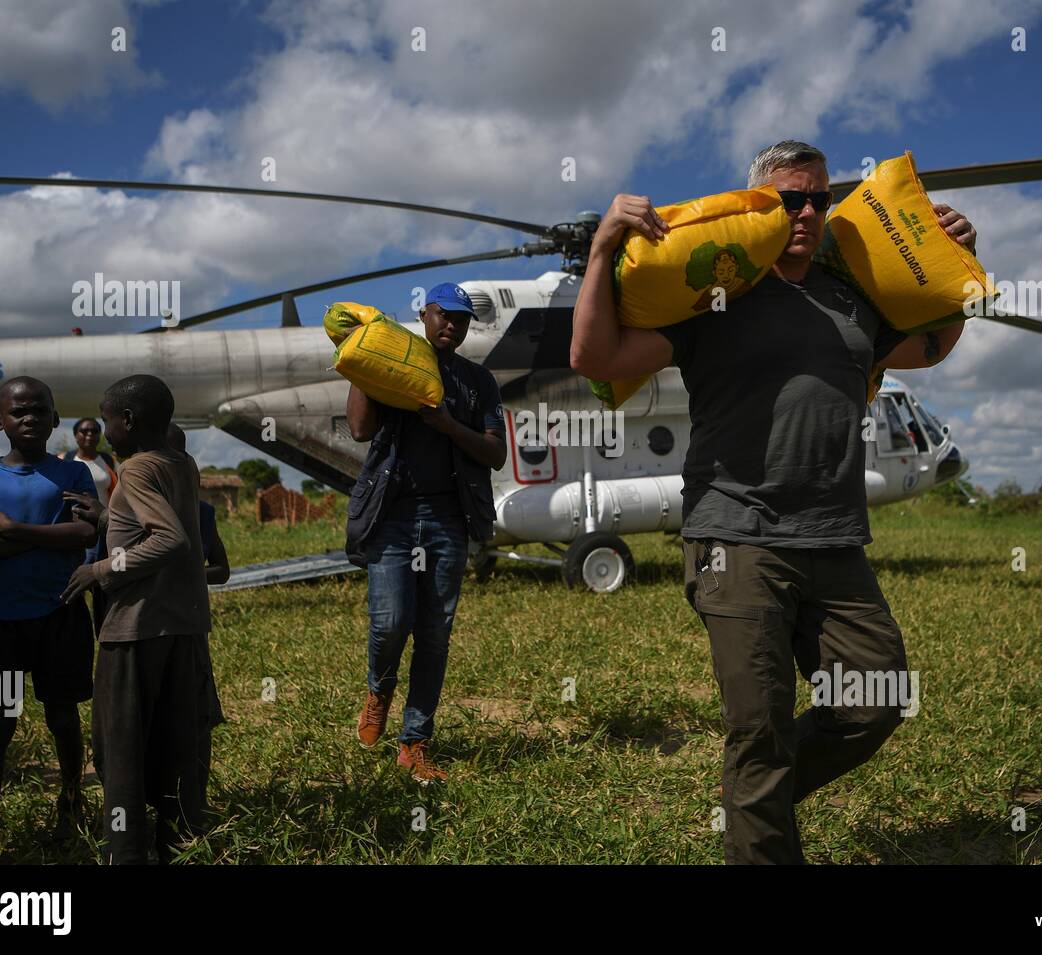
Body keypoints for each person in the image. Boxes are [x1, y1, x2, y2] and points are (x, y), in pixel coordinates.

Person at [570, 140, 978, 864]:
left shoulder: (853, 298)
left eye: (820, 198)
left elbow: (933, 344)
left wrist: (954, 265)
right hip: (738, 536)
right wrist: (602, 250)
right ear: (761, 201)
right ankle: (756, 806)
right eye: (792, 199)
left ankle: (756, 799)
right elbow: (596, 360)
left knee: (876, 700)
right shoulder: (715, 290)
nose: (809, 211)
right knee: (757, 731)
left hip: (835, 539)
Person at [344, 282, 506, 784]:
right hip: (392, 517)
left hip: (447, 519)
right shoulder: (395, 366)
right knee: (391, 622)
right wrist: (362, 364)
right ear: (424, 313)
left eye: (461, 319)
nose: (452, 326)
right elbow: (359, 431)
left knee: (435, 635)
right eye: (444, 315)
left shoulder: (478, 382)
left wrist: (449, 425)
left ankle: (414, 741)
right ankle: (378, 690)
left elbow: (495, 452)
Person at [61, 375, 210, 864]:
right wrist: (108, 517)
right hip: (183, 625)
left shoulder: (139, 467)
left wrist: (98, 568)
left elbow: (170, 539)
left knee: (120, 751)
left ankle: (124, 853)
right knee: (176, 743)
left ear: (127, 420)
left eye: (106, 420)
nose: (103, 430)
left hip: (136, 628)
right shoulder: (180, 462)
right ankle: (176, 845)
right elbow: (167, 523)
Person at [0, 377, 98, 854]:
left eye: (40, 410)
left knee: (64, 718)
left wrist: (13, 530)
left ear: (56, 418)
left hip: (61, 616)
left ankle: (71, 806)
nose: (31, 419)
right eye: (19, 412)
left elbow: (83, 534)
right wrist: (46, 534)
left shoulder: (73, 474)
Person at [166, 423, 229, 808]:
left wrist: (186, 573)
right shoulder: (127, 509)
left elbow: (221, 569)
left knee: (196, 714)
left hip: (190, 627)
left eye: (178, 457)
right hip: (147, 630)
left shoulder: (202, 512)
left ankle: (196, 801)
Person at [60, 418, 119, 630]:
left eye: (95, 431)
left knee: (103, 579)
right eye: (84, 431)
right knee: (75, 575)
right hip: (76, 529)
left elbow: (117, 490)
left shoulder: (108, 460)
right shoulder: (65, 460)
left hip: (104, 527)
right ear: (76, 435)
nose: (89, 435)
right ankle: (73, 623)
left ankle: (103, 626)